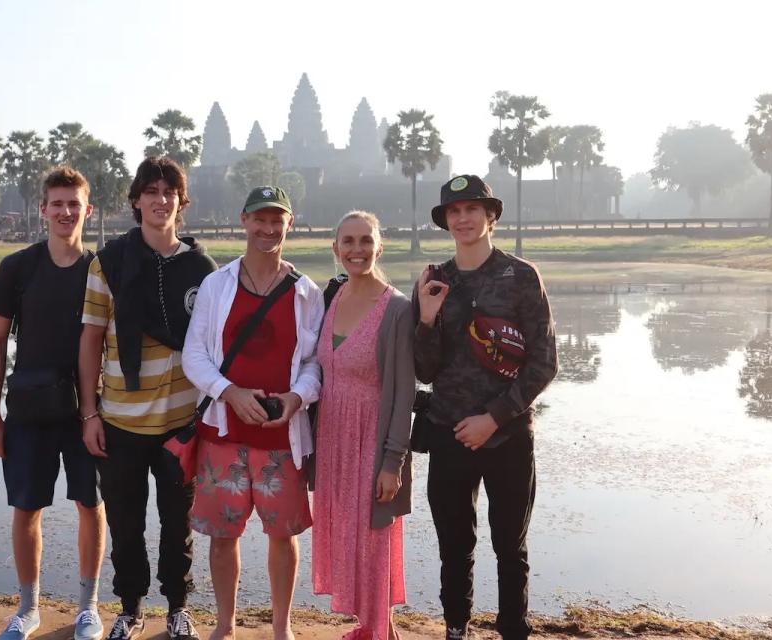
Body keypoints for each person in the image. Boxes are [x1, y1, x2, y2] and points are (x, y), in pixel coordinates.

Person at [413, 175, 558, 640]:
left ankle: (513, 629)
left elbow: (544, 362)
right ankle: (456, 627)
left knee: (510, 546)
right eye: (454, 212)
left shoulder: (520, 276)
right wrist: (427, 317)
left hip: (508, 435)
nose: (464, 218)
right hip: (448, 431)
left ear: (491, 216)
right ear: (446, 222)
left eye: (473, 209)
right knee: (455, 546)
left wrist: (494, 417)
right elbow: (426, 369)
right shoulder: (437, 280)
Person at [79, 157, 217, 640]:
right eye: (151, 191)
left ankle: (177, 608)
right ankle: (130, 607)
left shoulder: (202, 269)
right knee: (125, 523)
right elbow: (91, 341)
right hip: (119, 419)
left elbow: (215, 346)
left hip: (182, 422)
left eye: (170, 191)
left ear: (181, 202)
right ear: (136, 200)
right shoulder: (108, 263)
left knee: (178, 525)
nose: (161, 199)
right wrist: (89, 412)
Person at [182, 186, 323, 640]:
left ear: (289, 224)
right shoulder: (216, 284)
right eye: (259, 219)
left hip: (281, 435)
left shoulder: (306, 292)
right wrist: (230, 392)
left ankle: (281, 627)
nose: (267, 229)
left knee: (283, 535)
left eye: (276, 220)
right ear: (244, 220)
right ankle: (226, 625)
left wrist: (296, 398)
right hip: (223, 433)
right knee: (224, 535)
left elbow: (314, 363)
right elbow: (194, 356)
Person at [0, 166, 105, 640]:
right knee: (26, 507)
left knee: (89, 503)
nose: (65, 211)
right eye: (57, 203)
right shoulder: (17, 267)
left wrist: (97, 411)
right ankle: (28, 607)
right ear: (43, 210)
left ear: (88, 210)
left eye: (74, 203)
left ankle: (88, 606)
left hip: (85, 411)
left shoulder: (100, 270)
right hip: (29, 410)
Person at [311, 211, 414, 640]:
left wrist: (393, 461)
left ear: (379, 246)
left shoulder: (396, 310)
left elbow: (404, 393)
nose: (357, 250)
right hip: (333, 438)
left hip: (373, 440)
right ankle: (375, 627)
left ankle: (379, 630)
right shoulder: (331, 297)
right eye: (348, 241)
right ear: (336, 249)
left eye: (365, 241)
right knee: (349, 538)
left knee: (374, 538)